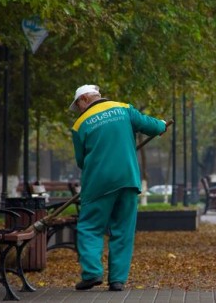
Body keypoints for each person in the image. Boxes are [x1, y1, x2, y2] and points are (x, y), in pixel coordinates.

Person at [69, 84, 166, 291]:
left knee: (89, 227)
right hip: (128, 179)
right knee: (123, 230)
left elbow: (81, 160)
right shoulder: (123, 108)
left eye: (78, 105)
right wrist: (162, 125)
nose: (78, 110)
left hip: (98, 183)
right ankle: (117, 280)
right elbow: (153, 127)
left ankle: (92, 273)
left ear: (85, 98)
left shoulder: (79, 125)